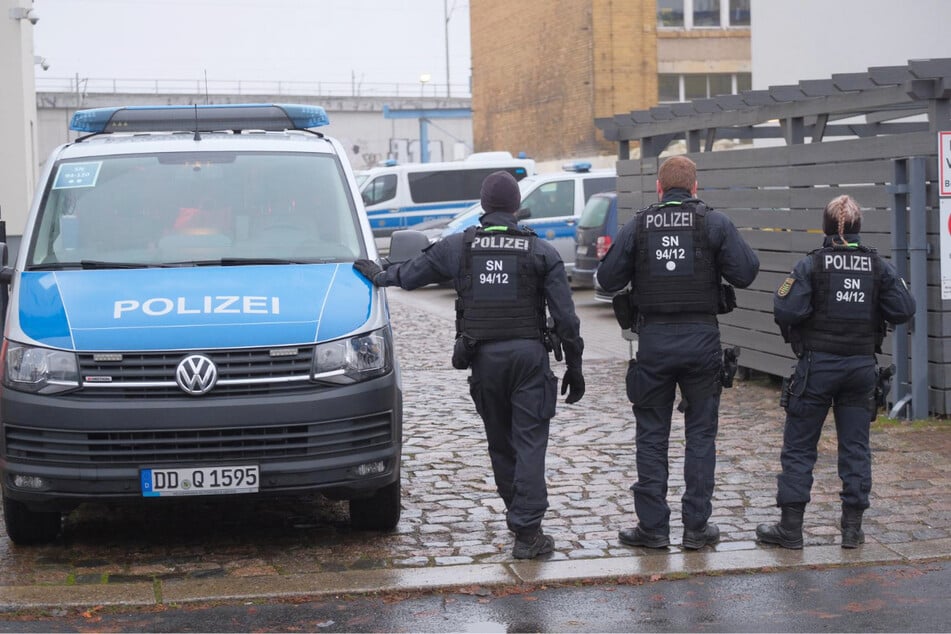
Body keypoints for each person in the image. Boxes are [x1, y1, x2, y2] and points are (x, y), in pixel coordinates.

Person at [353, 170, 585, 560]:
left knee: (501, 445)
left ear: (482, 205)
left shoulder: (459, 246)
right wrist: (575, 365)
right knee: (530, 444)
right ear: (516, 207)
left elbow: (411, 274)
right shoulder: (541, 251)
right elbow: (567, 319)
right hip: (529, 359)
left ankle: (519, 516)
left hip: (485, 360)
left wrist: (380, 275)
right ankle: (528, 532)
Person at [596, 155, 759, 550]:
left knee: (652, 436)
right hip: (702, 340)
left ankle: (653, 529)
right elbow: (747, 271)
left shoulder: (640, 224)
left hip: (654, 342)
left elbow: (606, 278)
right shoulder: (713, 222)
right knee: (701, 436)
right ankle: (696, 528)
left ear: (658, 187)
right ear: (694, 187)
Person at [757, 194, 915, 550]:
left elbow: (785, 307)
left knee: (799, 447)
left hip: (817, 366)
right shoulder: (877, 266)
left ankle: (791, 529)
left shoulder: (811, 265)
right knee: (855, 448)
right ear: (859, 228)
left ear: (825, 228)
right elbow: (905, 308)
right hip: (861, 368)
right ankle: (852, 529)